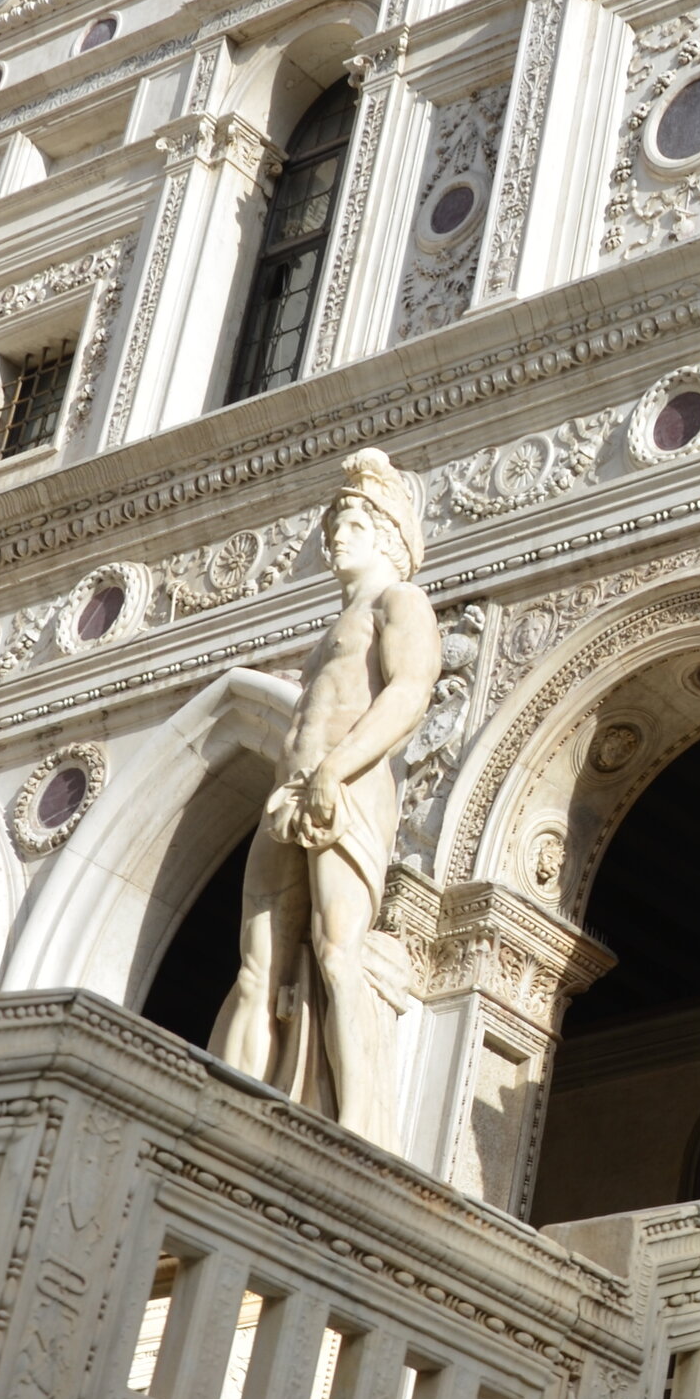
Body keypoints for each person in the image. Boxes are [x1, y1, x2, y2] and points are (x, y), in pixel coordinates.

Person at [213, 448, 439, 1148]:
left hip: (349, 788)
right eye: (334, 523)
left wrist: (336, 770)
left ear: (388, 536)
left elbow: (409, 692)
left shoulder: (400, 602)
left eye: (353, 523)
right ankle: (225, 1129)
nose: (335, 535)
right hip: (291, 795)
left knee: (338, 950)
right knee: (256, 970)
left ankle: (357, 1127)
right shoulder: (327, 636)